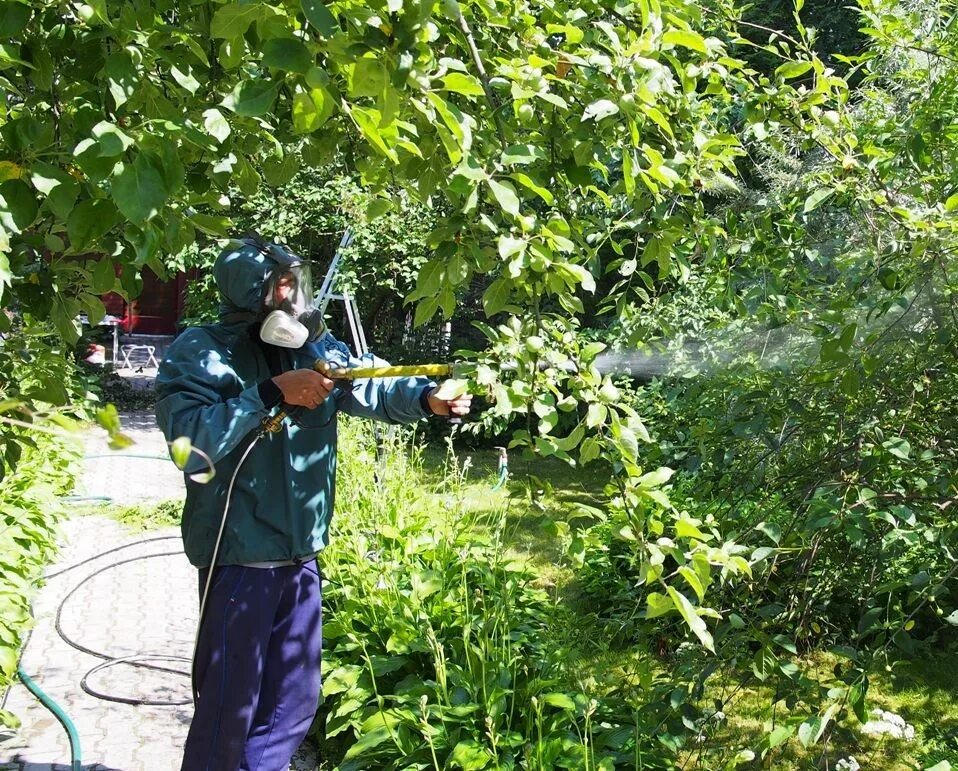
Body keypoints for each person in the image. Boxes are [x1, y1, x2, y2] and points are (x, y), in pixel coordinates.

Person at [154, 235, 471, 771]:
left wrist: (425, 397)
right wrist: (272, 392)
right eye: (282, 285)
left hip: (301, 557)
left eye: (296, 283)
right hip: (238, 559)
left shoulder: (313, 347)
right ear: (249, 293)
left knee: (293, 703)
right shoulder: (201, 351)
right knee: (228, 710)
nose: (295, 297)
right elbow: (191, 444)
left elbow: (366, 384)